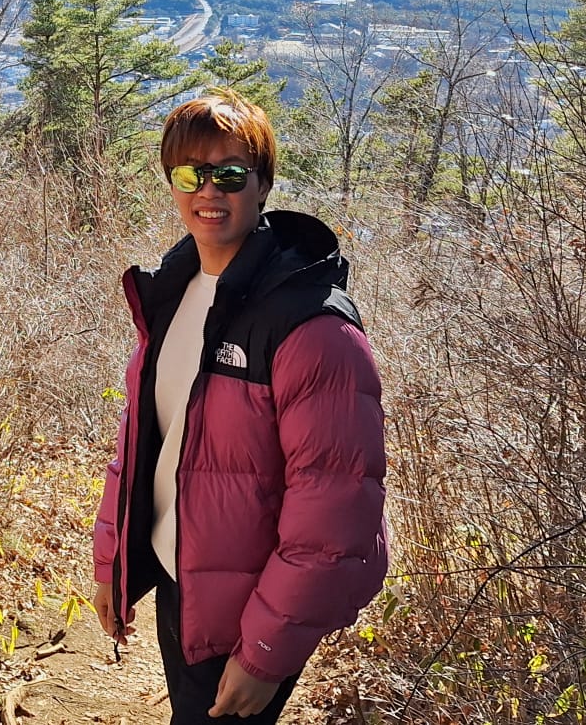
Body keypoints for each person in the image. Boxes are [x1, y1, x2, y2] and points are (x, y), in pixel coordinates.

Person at [91, 89, 388, 722]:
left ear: (263, 184)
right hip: (184, 577)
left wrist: (265, 653)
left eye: (229, 173)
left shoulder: (311, 326)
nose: (208, 191)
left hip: (249, 606)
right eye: (190, 174)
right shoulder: (176, 292)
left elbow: (332, 509)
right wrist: (111, 563)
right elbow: (144, 437)